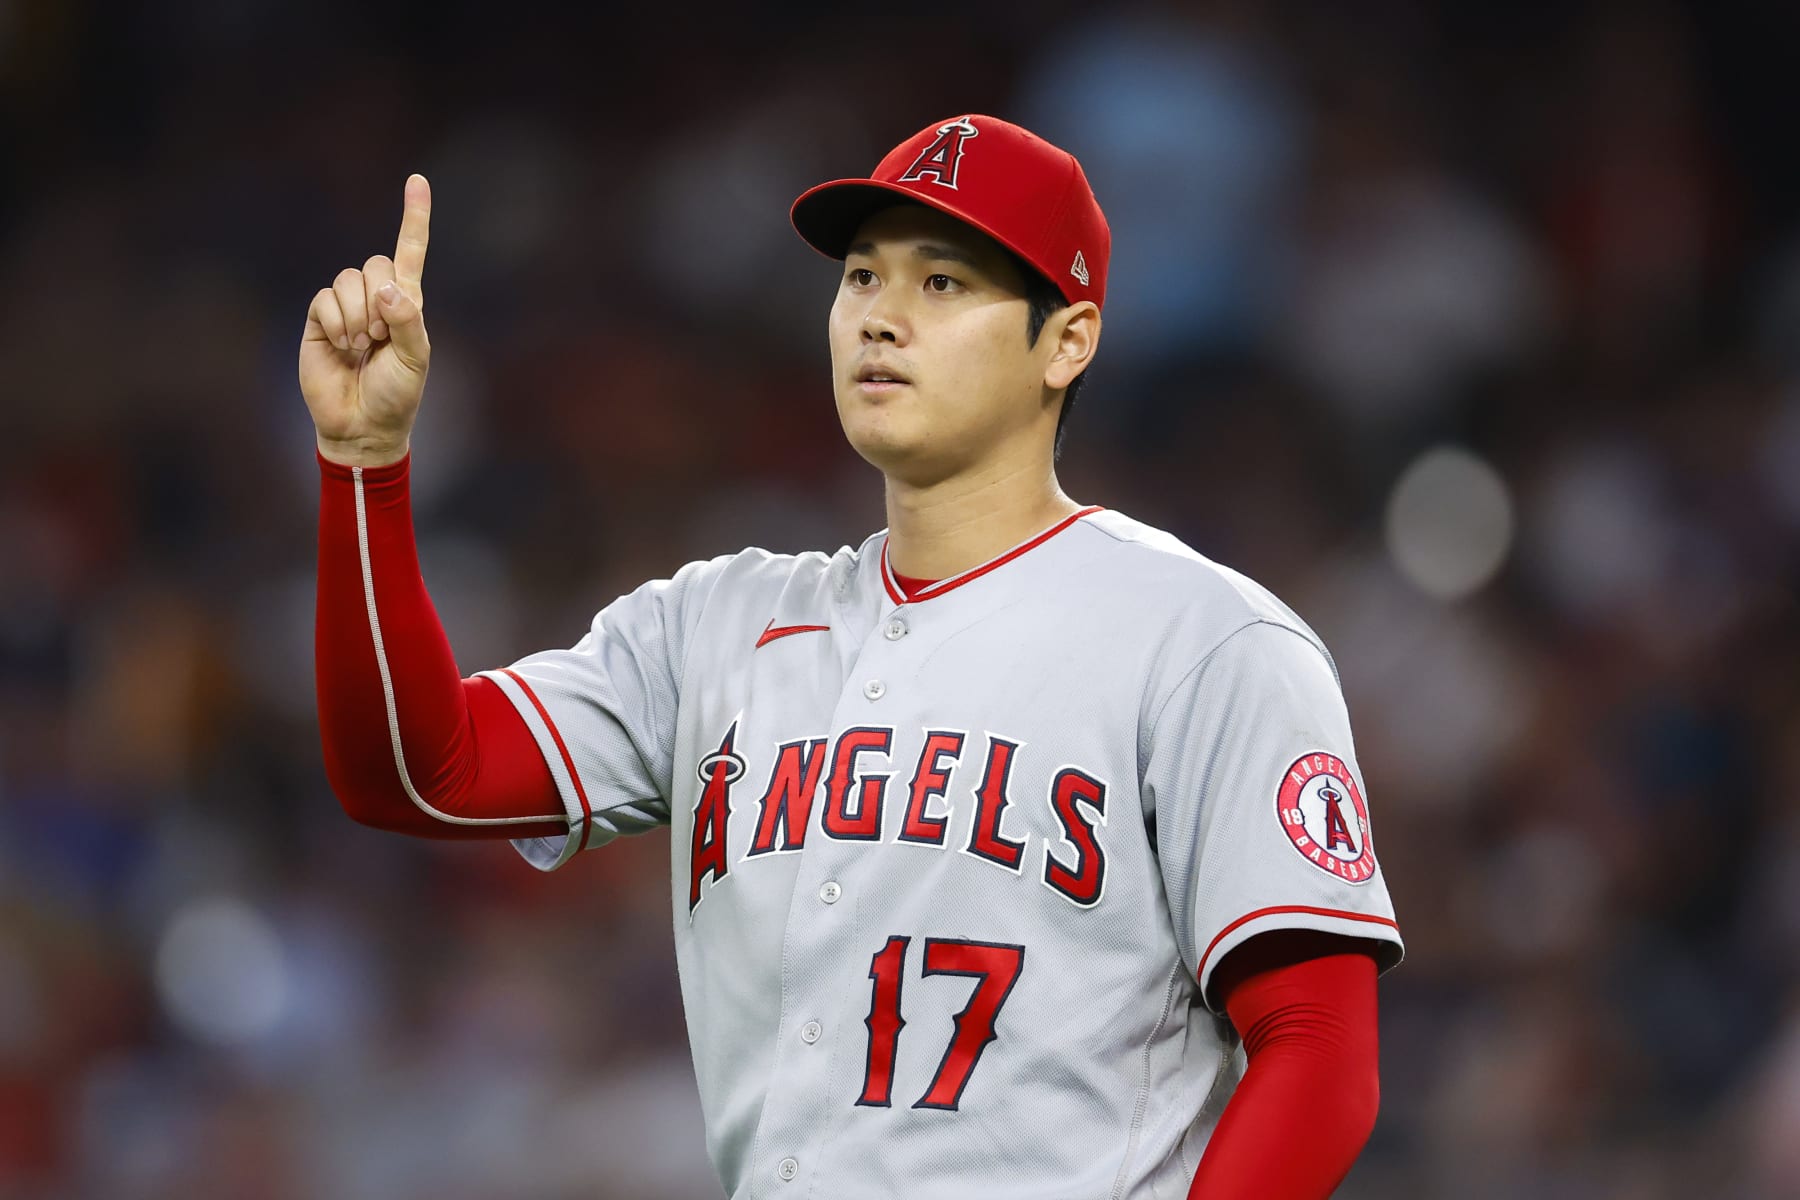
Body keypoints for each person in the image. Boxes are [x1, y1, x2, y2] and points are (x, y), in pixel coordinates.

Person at [301, 114, 1404, 1199]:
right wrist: (364, 462)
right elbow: (417, 771)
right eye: (864, 276)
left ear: (1067, 341)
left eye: (943, 283)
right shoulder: (714, 623)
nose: (882, 316)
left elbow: (1318, 1054)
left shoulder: (1203, 639)